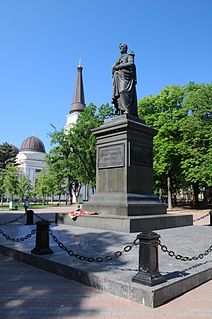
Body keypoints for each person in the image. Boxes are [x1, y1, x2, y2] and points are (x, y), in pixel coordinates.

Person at [112, 43, 138, 116]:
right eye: (120, 47)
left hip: (127, 77)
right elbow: (113, 68)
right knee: (119, 94)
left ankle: (127, 109)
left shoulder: (129, 55)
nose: (121, 48)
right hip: (119, 77)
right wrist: (115, 65)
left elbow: (131, 63)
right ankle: (121, 111)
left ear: (126, 48)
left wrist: (119, 66)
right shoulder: (118, 59)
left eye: (122, 46)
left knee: (123, 91)